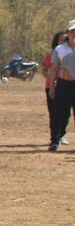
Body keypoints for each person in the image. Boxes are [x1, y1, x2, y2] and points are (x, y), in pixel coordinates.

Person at [47, 20, 75, 152]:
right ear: (68, 33)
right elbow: (53, 69)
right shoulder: (60, 49)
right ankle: (55, 140)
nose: (74, 34)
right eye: (72, 31)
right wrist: (52, 87)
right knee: (59, 113)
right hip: (64, 84)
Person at [43, 31, 71, 147]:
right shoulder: (52, 54)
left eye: (65, 40)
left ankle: (61, 134)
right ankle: (55, 137)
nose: (63, 42)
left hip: (67, 85)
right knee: (55, 113)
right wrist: (51, 81)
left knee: (66, 113)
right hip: (52, 86)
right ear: (56, 41)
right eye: (61, 40)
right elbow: (46, 70)